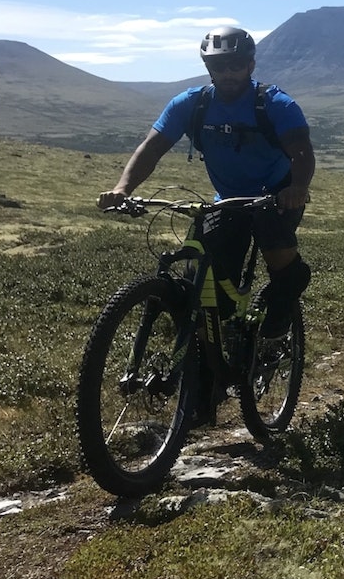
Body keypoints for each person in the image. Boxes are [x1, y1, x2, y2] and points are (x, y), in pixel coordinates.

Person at [98, 26, 315, 348]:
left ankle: (275, 333)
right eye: (218, 66)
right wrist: (123, 188)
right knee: (203, 282)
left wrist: (296, 188)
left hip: (275, 195)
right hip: (227, 200)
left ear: (250, 65)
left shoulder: (274, 103)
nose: (227, 72)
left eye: (236, 65)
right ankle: (211, 355)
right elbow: (152, 148)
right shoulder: (192, 104)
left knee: (282, 263)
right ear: (208, 68)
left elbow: (301, 152)